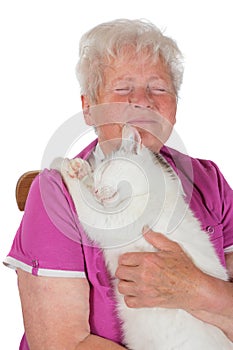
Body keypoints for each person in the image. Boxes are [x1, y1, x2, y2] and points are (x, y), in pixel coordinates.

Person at [4, 19, 233, 349]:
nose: (142, 101)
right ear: (88, 109)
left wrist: (196, 288)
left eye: (159, 88)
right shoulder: (58, 193)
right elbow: (63, 343)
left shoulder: (208, 182)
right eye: (123, 89)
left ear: (175, 108)